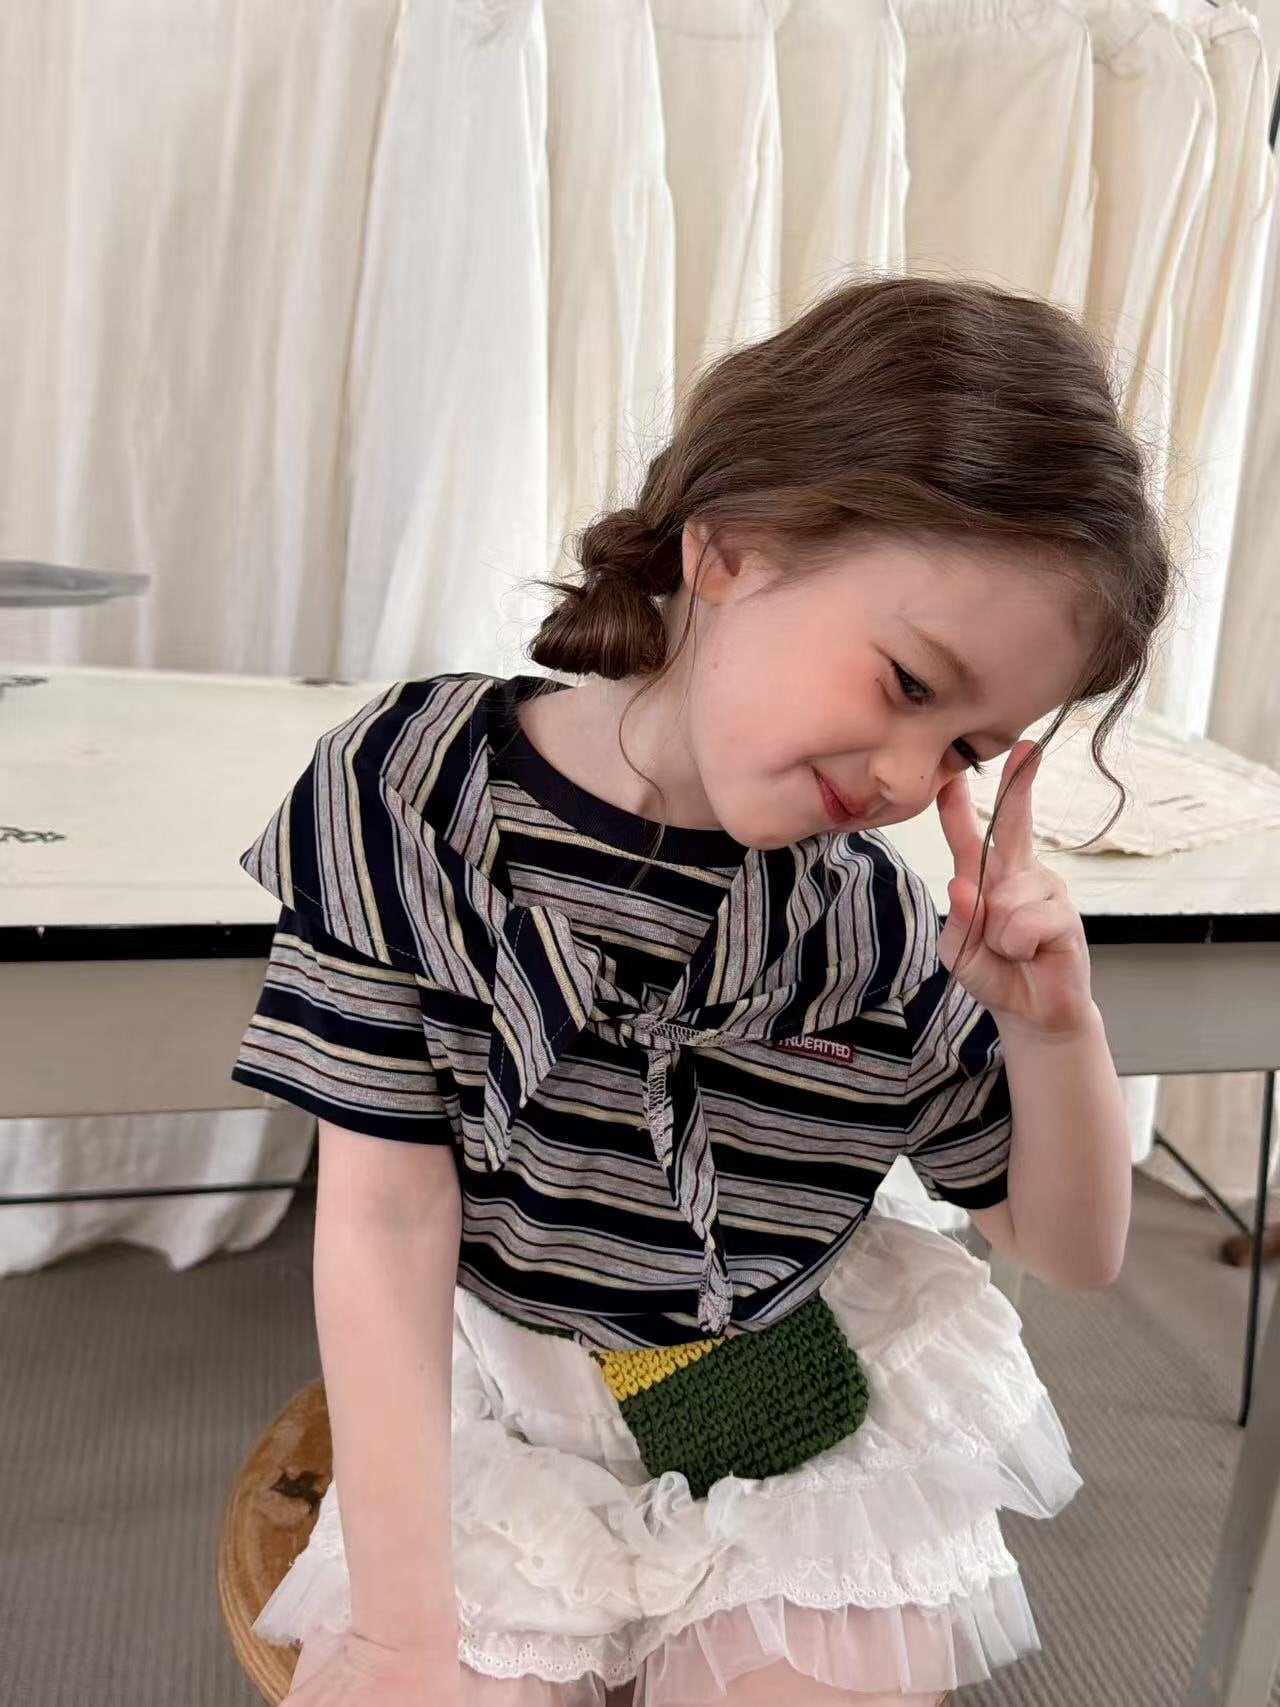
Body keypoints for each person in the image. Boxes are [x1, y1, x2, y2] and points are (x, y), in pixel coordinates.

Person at [231, 276, 1171, 1706]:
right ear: (729, 548)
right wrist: (407, 1631)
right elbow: (383, 1218)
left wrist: (1056, 1031)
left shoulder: (871, 925)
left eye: (967, 750)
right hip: (506, 1421)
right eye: (910, 683)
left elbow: (1071, 1248)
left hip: (785, 1440)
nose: (908, 780)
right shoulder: (415, 797)